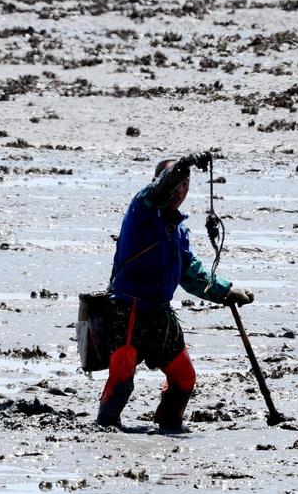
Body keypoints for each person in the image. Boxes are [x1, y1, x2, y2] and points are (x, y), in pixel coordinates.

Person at [97, 151, 254, 432]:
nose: (179, 190)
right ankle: (105, 426)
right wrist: (182, 167)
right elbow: (160, 189)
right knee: (122, 380)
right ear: (158, 181)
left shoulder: (179, 229)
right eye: (175, 182)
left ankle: (170, 426)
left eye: (185, 185)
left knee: (184, 378)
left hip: (160, 314)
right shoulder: (141, 209)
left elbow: (190, 273)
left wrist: (227, 291)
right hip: (127, 312)